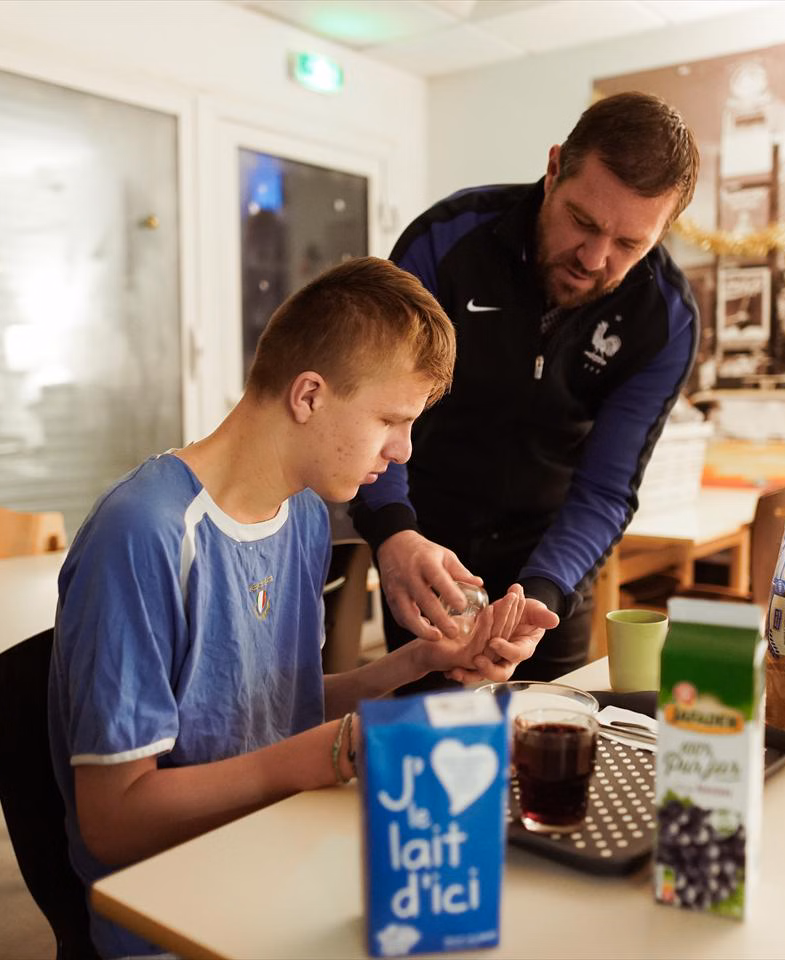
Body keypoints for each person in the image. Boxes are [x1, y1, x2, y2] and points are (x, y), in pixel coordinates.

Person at [47, 257, 558, 958]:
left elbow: (270, 709)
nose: (402, 450)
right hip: (174, 918)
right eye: (390, 419)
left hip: (278, 856)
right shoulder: (145, 533)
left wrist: (416, 665)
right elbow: (112, 820)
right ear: (309, 395)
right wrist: (320, 757)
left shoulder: (306, 518)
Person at [350, 91, 701, 684]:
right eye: (584, 223)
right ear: (555, 167)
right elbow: (372, 412)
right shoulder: (446, 243)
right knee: (425, 746)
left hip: (551, 569)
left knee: (543, 753)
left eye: (629, 245)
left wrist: (540, 599)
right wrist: (393, 532)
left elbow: (606, 489)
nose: (594, 259)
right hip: (426, 548)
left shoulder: (664, 319)